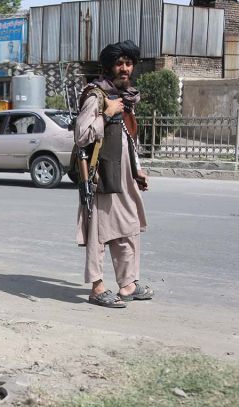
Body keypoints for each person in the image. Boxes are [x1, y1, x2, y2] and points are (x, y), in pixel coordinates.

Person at [75, 40, 154, 308]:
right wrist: (107, 114)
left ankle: (128, 284)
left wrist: (137, 169)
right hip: (102, 176)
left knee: (128, 228)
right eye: (119, 63)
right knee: (99, 233)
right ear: (109, 66)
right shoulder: (96, 97)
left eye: (129, 63)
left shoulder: (125, 98)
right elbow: (81, 135)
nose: (125, 68)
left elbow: (128, 139)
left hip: (124, 176)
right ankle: (97, 288)